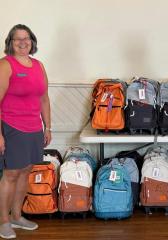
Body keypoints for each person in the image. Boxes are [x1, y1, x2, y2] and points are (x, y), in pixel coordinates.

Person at [0, 24, 52, 239]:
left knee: (25, 172)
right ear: (10, 43)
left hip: (34, 128)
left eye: (27, 38)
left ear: (32, 41)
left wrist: (47, 126)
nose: (23, 42)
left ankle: (16, 216)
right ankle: (3, 221)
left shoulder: (38, 65)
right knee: (11, 174)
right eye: (17, 39)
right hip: (12, 126)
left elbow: (44, 98)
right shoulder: (5, 65)